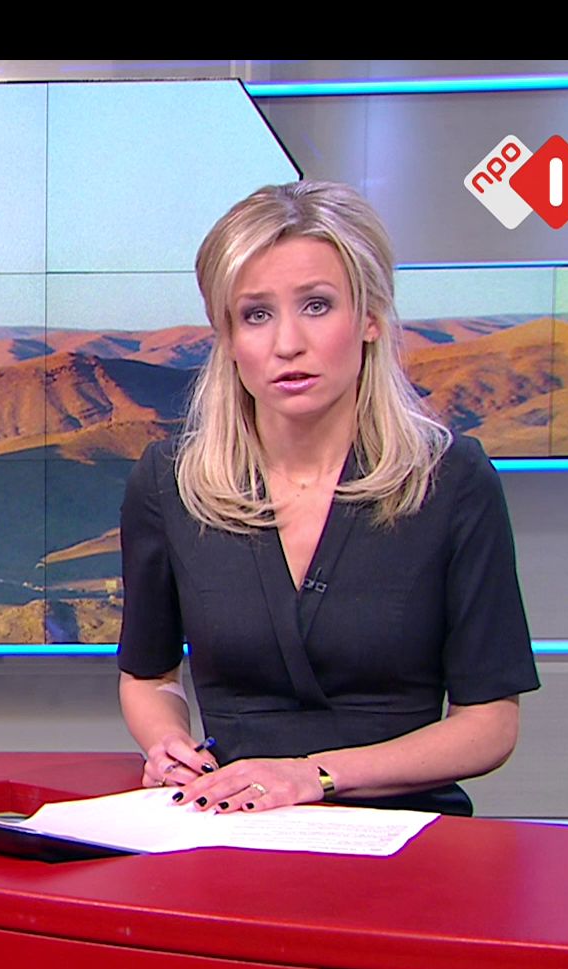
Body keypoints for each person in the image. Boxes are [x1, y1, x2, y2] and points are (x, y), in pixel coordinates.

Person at [116, 181, 538, 817]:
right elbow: (149, 678)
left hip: (402, 834)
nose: (287, 343)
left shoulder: (451, 479)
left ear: (370, 318)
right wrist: (167, 742)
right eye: (256, 315)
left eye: (316, 306)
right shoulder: (170, 482)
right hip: (230, 825)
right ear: (227, 338)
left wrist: (314, 776)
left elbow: (489, 725)